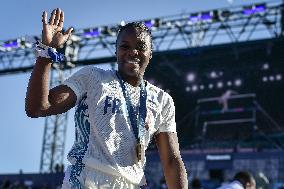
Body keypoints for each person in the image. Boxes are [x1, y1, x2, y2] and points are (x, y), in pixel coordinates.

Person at [25, 8, 188, 189]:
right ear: (116, 51)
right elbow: (38, 107)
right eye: (125, 46)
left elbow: (172, 161)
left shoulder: (162, 100)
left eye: (141, 47)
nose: (133, 52)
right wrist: (47, 53)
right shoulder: (92, 78)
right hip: (86, 180)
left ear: (150, 54)